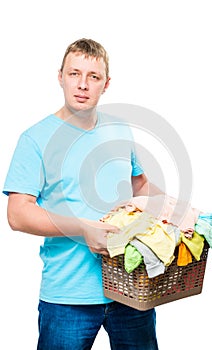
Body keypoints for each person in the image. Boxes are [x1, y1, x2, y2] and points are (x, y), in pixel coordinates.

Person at [3, 38, 162, 349]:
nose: (83, 85)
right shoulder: (35, 139)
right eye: (75, 74)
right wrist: (82, 227)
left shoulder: (119, 129)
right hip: (67, 296)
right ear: (60, 76)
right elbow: (17, 213)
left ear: (106, 84)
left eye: (94, 77)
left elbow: (140, 185)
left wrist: (175, 212)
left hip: (131, 287)